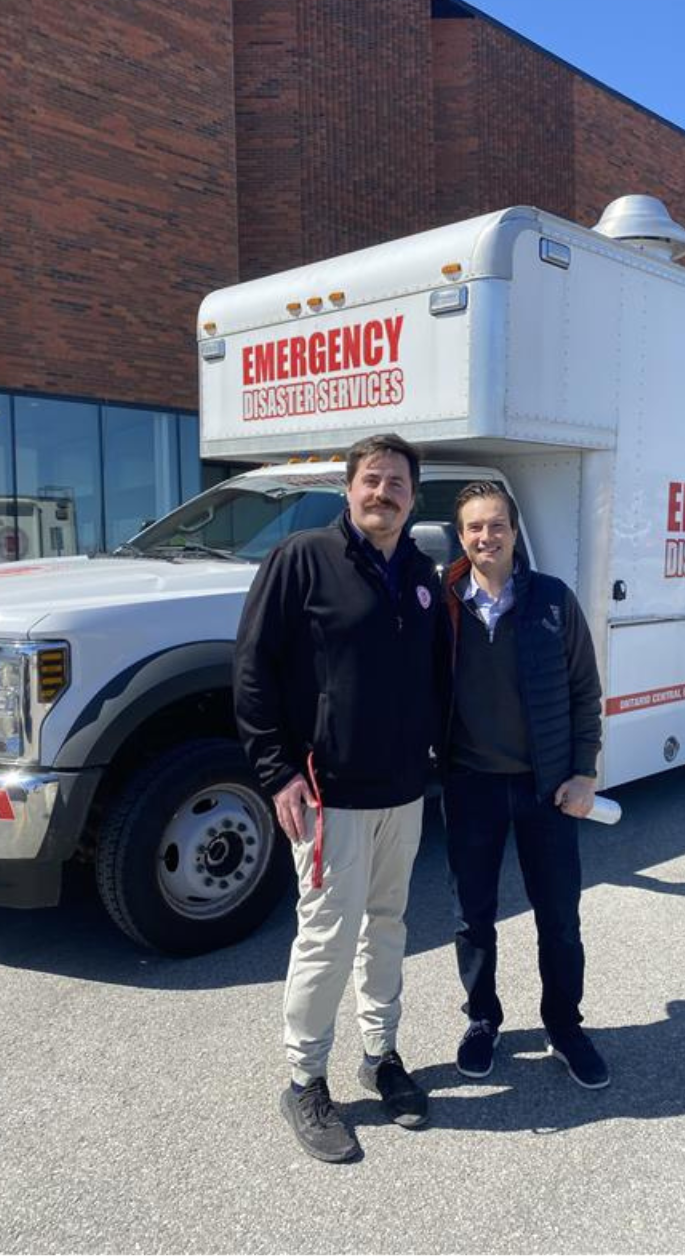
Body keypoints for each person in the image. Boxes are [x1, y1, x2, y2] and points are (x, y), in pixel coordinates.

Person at [234, 432, 449, 1162]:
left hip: (403, 790)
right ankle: (304, 1078)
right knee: (327, 935)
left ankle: (381, 1054)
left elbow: (436, 678)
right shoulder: (302, 560)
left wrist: (439, 761)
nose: (383, 492)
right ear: (349, 488)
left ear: (413, 496)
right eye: (372, 479)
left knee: (387, 923)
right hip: (329, 795)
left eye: (397, 483)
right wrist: (277, 771)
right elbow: (254, 669)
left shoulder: (423, 575)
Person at [438, 481, 609, 1088]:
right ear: (460, 537)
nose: (486, 537)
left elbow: (586, 691)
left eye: (496, 525)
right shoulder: (444, 602)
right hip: (470, 786)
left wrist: (585, 771)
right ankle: (483, 1019)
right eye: (473, 528)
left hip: (548, 789)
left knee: (559, 917)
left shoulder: (553, 601)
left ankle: (564, 1026)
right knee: (472, 917)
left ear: (514, 531)